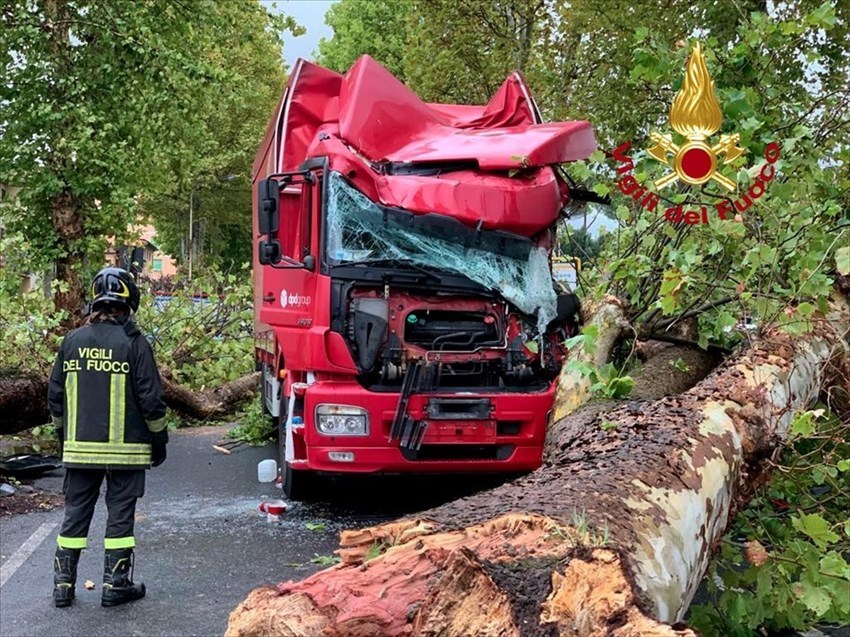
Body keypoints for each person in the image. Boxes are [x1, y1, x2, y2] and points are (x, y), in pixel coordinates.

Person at [47, 267, 168, 608]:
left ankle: (63, 586)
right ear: (128, 302)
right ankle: (116, 585)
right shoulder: (134, 342)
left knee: (75, 513)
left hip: (79, 449)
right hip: (127, 453)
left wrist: (63, 436)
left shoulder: (71, 341)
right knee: (120, 517)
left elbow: (55, 397)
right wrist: (159, 441)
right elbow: (151, 400)